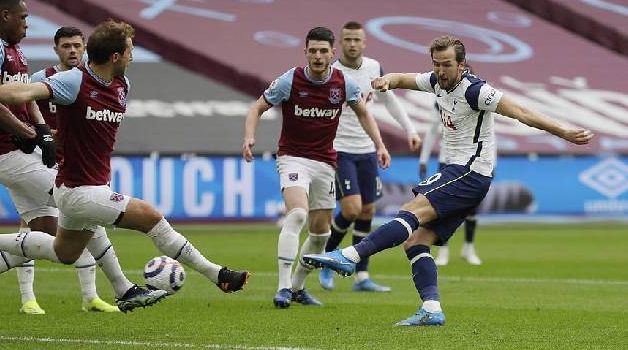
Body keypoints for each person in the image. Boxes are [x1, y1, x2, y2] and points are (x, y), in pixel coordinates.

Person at [0, 19, 250, 326]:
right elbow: (25, 92)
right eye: (129, 51)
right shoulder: (74, 81)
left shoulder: (122, 85)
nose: (132, 56)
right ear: (115, 56)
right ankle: (217, 274)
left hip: (89, 186)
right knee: (152, 216)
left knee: (63, 252)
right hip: (78, 190)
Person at [304, 35, 593, 326]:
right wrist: (388, 80)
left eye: (447, 65)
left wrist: (564, 132)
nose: (440, 71)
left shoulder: (476, 91)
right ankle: (431, 308)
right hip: (460, 172)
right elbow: (405, 78)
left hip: (471, 172)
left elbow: (522, 113)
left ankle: (351, 256)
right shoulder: (436, 81)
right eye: (436, 64)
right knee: (417, 241)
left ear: (462, 64)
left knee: (412, 210)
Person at [0, 0, 119, 318]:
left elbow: (24, 99)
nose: (28, 24)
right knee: (83, 204)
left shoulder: (15, 51)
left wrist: (42, 133)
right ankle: (124, 289)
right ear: (5, 16)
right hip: (9, 154)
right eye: (24, 17)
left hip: (22, 152)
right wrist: (30, 134)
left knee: (44, 235)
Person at [242, 27, 390, 308]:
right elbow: (256, 108)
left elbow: (364, 113)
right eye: (313, 51)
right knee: (297, 215)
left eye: (324, 51)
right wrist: (250, 136)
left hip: (325, 162)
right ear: (306, 52)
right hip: (293, 158)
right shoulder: (290, 80)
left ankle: (298, 288)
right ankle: (283, 287)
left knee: (321, 234)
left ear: (332, 53)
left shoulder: (342, 83)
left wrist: (380, 145)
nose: (318, 56)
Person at [319, 21, 421, 293]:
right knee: (351, 209)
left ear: (365, 43)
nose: (352, 44)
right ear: (340, 43)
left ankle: (361, 276)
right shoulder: (331, 72)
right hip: (339, 149)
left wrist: (409, 130)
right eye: (348, 39)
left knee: (368, 210)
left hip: (367, 149)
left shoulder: (374, 68)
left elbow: (390, 101)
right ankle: (328, 259)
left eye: (357, 40)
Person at [419, 101, 482, 266]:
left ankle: (469, 248)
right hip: (447, 160)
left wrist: (491, 161)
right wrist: (423, 159)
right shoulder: (441, 100)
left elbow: (488, 135)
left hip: (473, 160)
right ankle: (443, 249)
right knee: (445, 207)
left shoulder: (478, 98)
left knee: (472, 208)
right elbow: (432, 130)